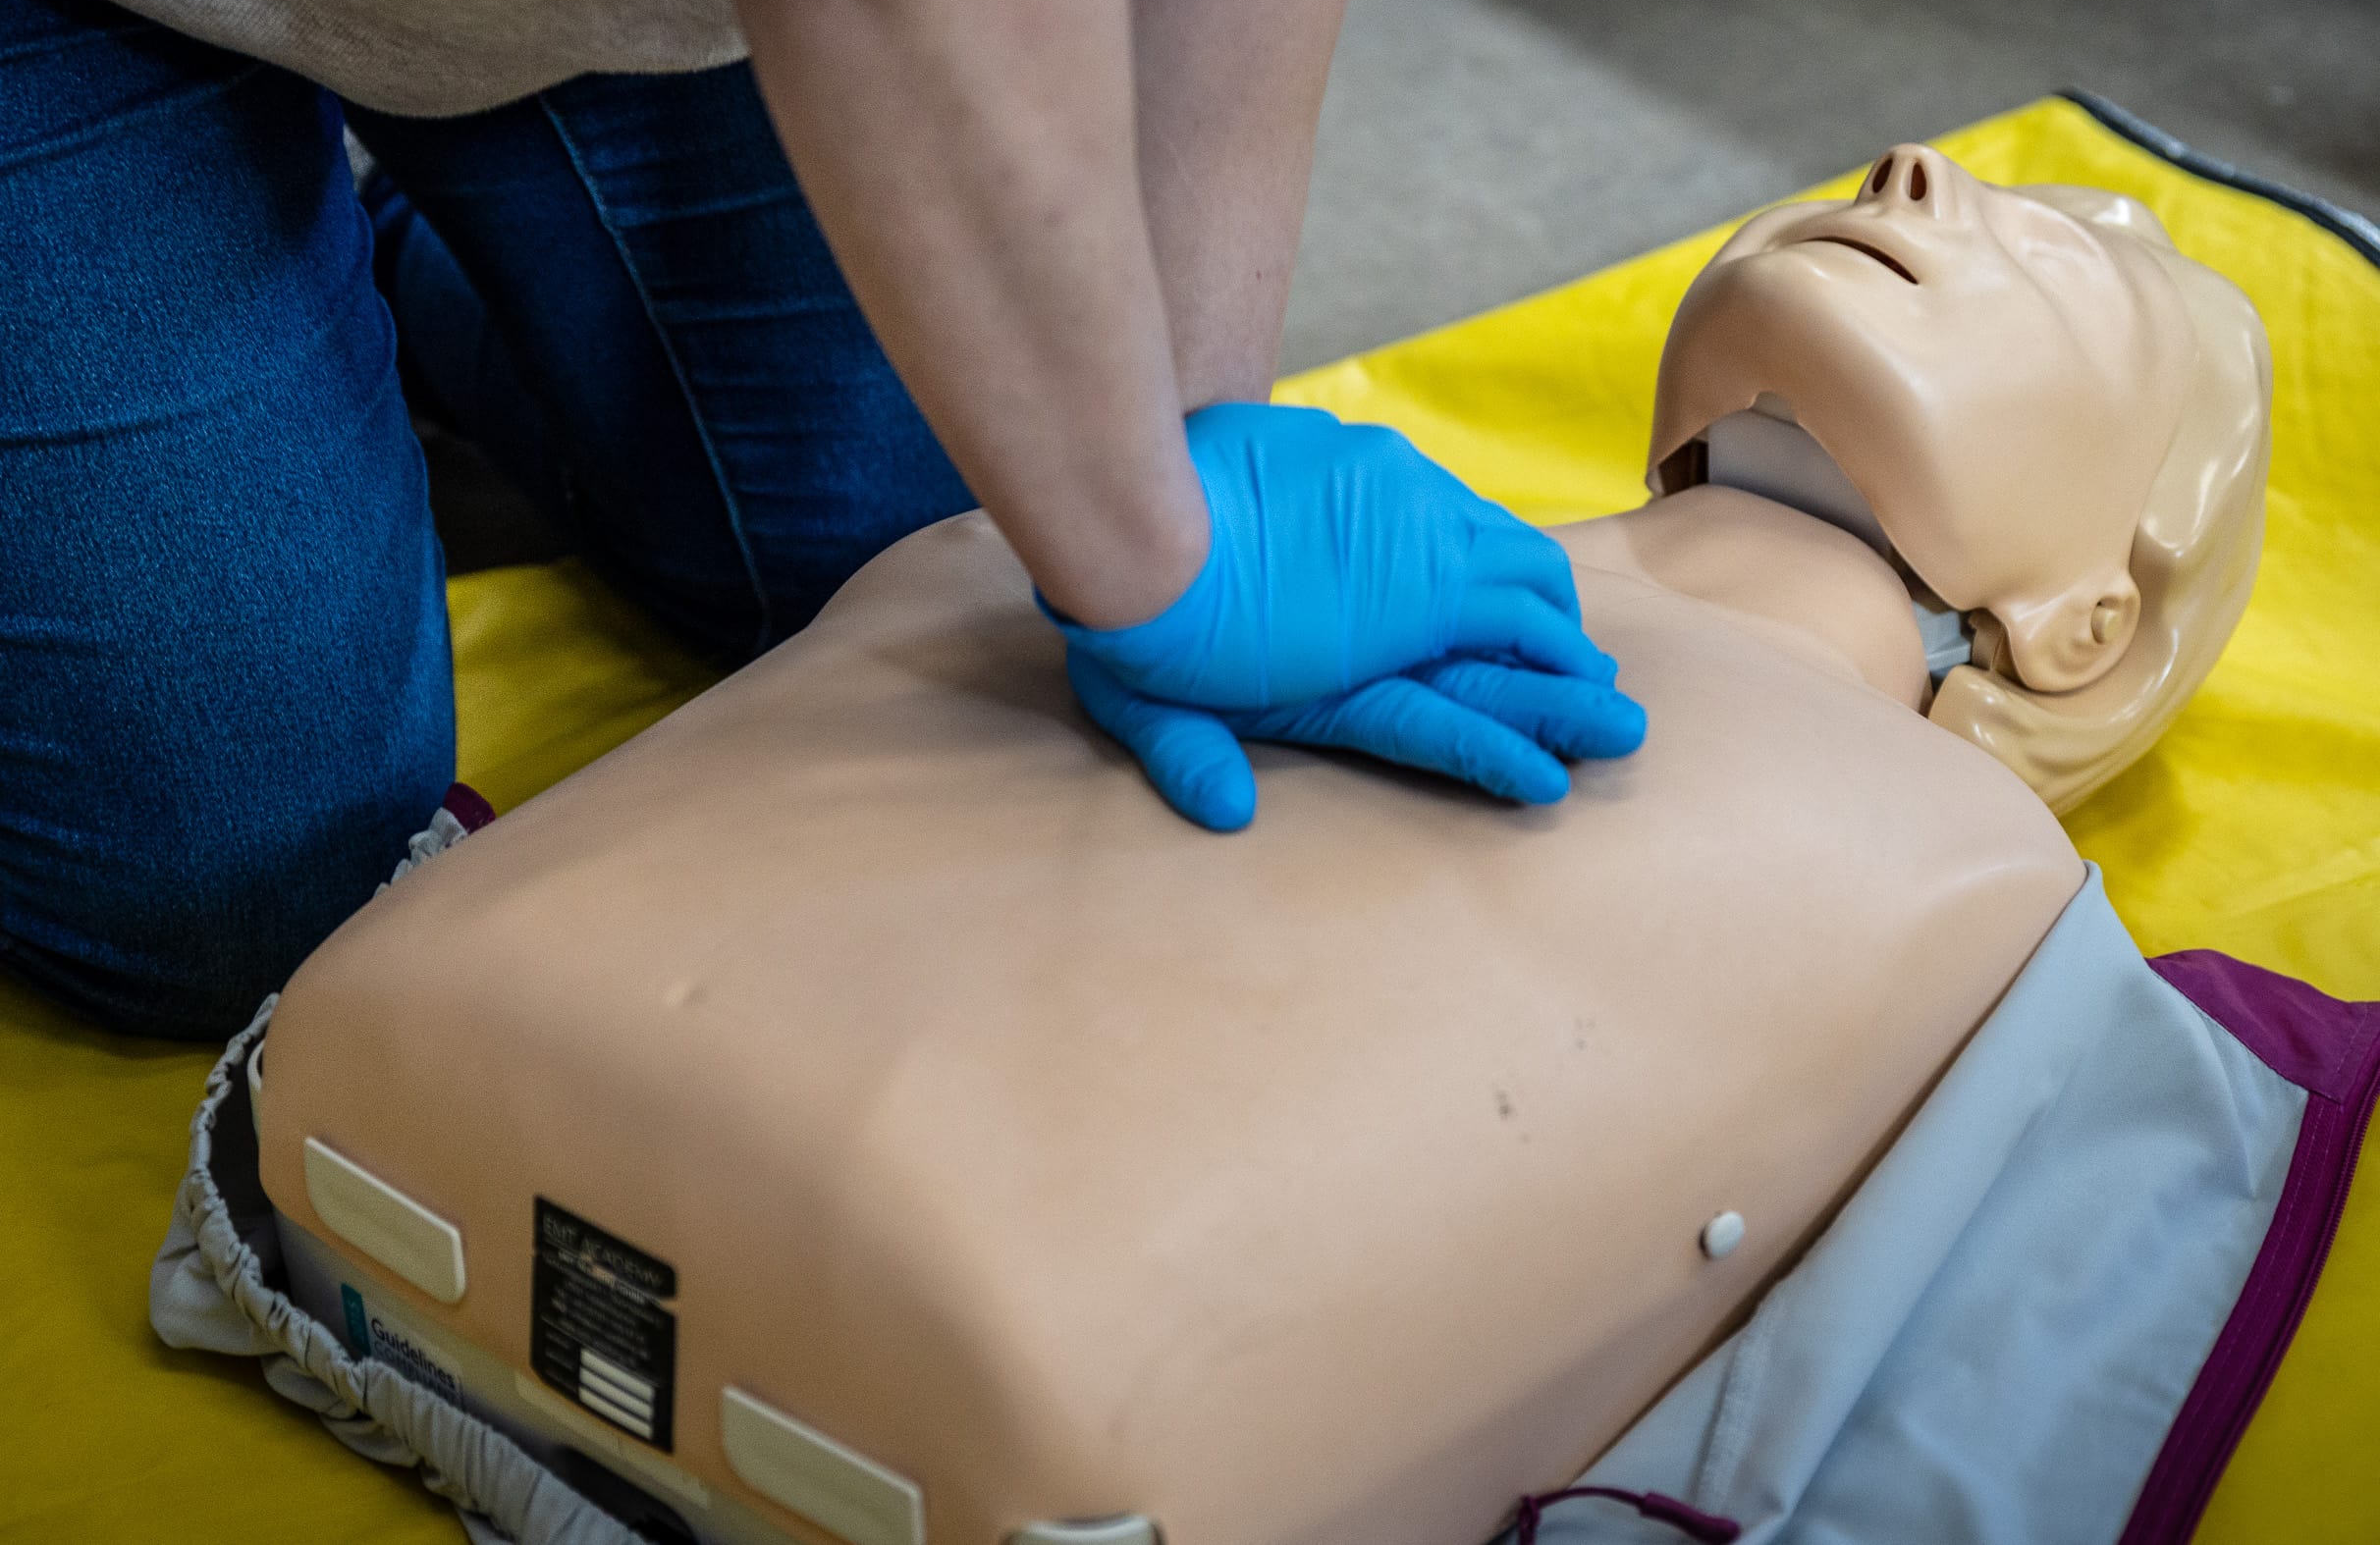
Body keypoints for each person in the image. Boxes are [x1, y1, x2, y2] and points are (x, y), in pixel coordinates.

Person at [243, 153, 2270, 1542]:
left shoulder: (1939, 872)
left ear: (2091, 628)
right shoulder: (1226, 526)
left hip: (514, 1144)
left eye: (2047, 261)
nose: (1913, 170)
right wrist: (1151, 495)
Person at [0, 0, 1642, 1039]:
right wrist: (1146, 551)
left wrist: (1189, 438)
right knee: (227, 872)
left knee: (928, 553)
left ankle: (315, 294)